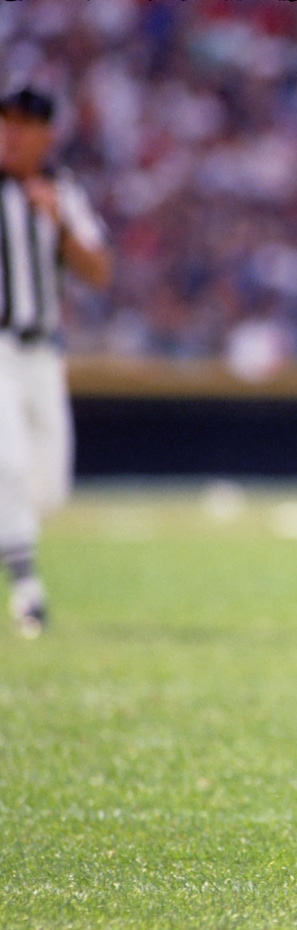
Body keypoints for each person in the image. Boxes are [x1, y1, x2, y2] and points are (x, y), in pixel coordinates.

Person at [0, 86, 112, 639]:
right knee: (11, 468)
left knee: (48, 485)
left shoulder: (62, 190)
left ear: (47, 134)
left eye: (23, 125)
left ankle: (14, 543)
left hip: (43, 352)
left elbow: (99, 271)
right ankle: (29, 592)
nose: (11, 135)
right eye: (5, 123)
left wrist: (58, 224)